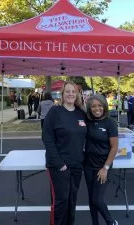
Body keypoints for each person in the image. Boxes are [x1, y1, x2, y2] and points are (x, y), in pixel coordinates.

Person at [42, 81, 87, 225]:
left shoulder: (81, 113)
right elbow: (47, 138)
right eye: (67, 91)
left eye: (73, 91)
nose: (71, 94)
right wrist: (59, 163)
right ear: (62, 94)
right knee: (61, 202)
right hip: (59, 166)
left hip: (76, 165)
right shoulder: (55, 112)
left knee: (72, 200)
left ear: (77, 94)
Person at [84, 94, 119, 225]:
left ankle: (111, 222)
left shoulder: (110, 123)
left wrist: (105, 168)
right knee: (91, 199)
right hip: (88, 165)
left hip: (103, 166)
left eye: (99, 105)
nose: (97, 109)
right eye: (93, 106)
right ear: (89, 108)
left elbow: (114, 147)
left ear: (104, 106)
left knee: (97, 199)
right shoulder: (87, 121)